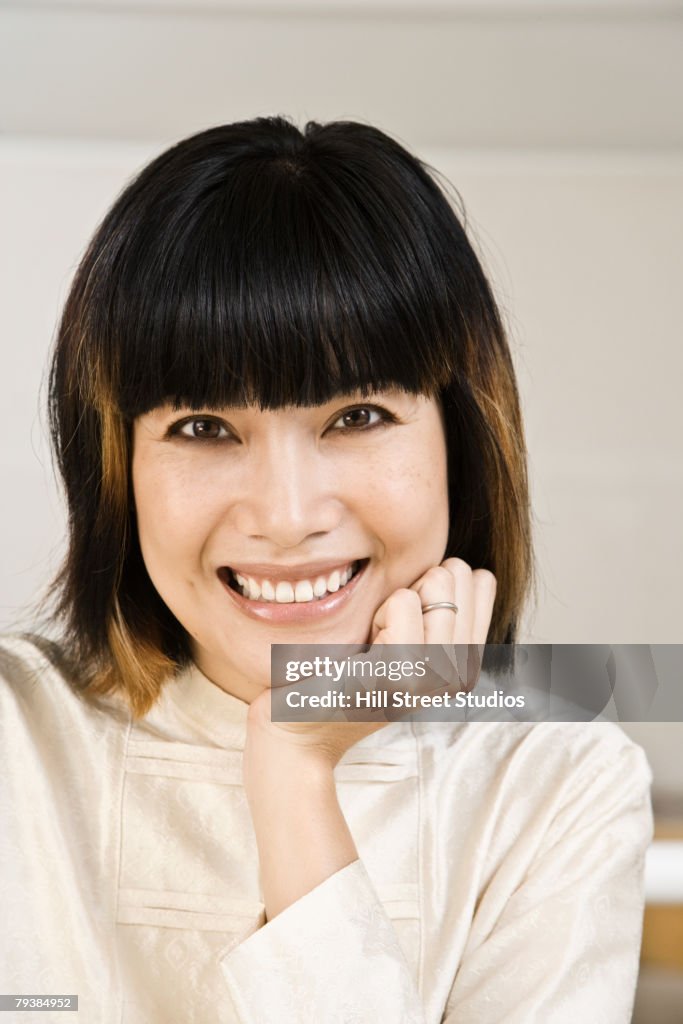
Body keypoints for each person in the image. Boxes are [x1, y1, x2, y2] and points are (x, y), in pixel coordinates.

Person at [0, 117, 652, 1023]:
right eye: (203, 428)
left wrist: (296, 770)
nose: (287, 515)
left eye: (355, 417)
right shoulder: (16, 739)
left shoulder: (555, 785)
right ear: (114, 468)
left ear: (458, 438)